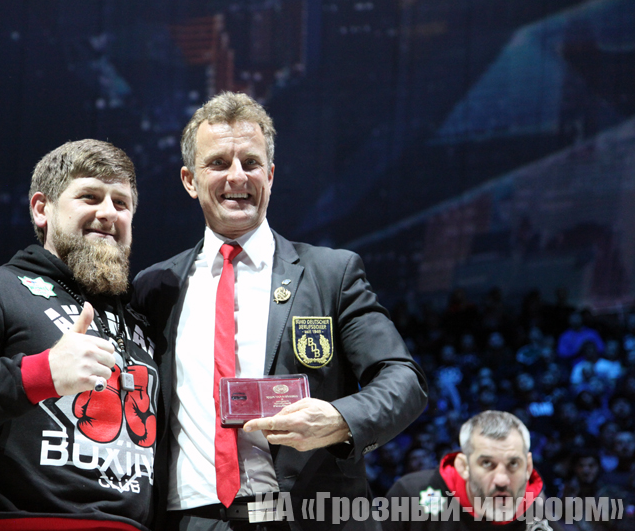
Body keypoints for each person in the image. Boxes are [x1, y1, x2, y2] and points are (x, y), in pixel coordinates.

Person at [131, 91, 428, 529]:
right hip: (190, 519)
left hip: (303, 516)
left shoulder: (331, 273)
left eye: (251, 163)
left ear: (270, 175)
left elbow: (404, 380)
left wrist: (340, 419)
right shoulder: (155, 286)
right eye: (218, 163)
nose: (237, 176)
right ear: (190, 180)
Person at [0, 140, 160, 531]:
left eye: (121, 203)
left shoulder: (142, 317)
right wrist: (41, 373)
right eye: (89, 197)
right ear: (41, 209)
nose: (107, 213)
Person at [384, 410, 557, 531]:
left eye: (512, 464)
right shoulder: (411, 492)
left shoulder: (531, 503)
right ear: (463, 465)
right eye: (487, 463)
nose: (501, 479)